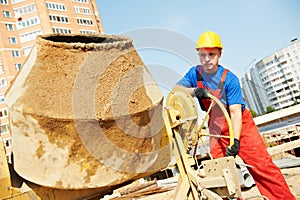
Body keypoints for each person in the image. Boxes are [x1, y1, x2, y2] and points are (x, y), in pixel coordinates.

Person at [175, 31, 295, 200]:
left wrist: (236, 140)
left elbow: (235, 112)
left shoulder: (230, 79)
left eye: (211, 54)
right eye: (203, 55)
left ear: (220, 54)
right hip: (215, 128)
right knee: (217, 171)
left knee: (262, 167)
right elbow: (177, 90)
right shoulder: (194, 74)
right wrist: (194, 91)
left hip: (240, 125)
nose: (207, 59)